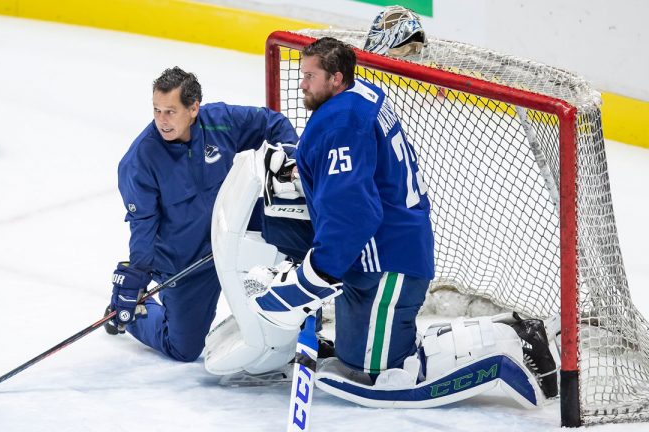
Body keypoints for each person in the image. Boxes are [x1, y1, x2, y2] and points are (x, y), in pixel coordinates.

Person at [248, 29, 558, 408]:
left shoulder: (340, 123)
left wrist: (315, 276)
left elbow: (354, 213)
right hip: (386, 254)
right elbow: (361, 174)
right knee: (351, 357)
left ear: (336, 79)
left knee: (380, 375)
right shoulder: (359, 98)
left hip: (387, 264)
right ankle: (504, 330)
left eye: (310, 76)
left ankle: (513, 343)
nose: (302, 84)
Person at [106, 66, 299, 363]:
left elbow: (270, 123)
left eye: (170, 111)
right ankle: (135, 316)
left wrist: (291, 159)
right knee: (183, 349)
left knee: (297, 237)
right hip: (188, 260)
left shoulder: (221, 121)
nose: (161, 120)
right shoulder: (140, 160)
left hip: (239, 236)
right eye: (156, 110)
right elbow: (143, 227)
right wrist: (136, 276)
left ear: (193, 108)